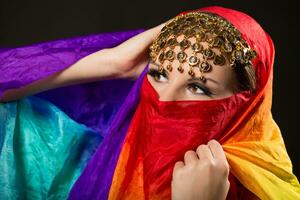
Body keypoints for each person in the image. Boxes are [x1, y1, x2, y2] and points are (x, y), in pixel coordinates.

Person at [0, 6, 299, 200]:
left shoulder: (263, 189)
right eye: (157, 74)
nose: (164, 99)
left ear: (243, 107)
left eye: (197, 88)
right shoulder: (96, 158)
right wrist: (115, 62)